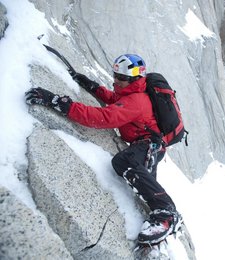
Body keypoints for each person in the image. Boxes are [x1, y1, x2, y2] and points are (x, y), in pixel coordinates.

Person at [25, 54, 182, 245]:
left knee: (124, 162)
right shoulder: (131, 91)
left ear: (134, 79)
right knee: (144, 186)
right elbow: (114, 99)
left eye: (121, 78)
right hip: (147, 144)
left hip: (150, 144)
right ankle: (157, 235)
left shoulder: (137, 101)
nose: (116, 80)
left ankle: (167, 215)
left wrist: (59, 103)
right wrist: (90, 85)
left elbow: (103, 117)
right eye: (115, 75)